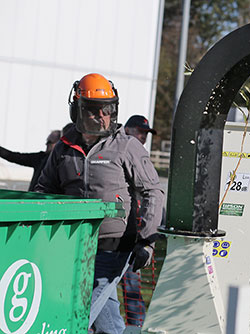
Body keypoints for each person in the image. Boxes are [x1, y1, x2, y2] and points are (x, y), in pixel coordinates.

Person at [35, 73, 165, 334]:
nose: (102, 116)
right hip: (70, 244)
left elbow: (153, 190)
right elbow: (44, 190)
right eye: (94, 110)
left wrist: (147, 241)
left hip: (113, 245)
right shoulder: (63, 148)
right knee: (108, 323)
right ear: (78, 110)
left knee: (78, 313)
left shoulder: (127, 147)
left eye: (107, 110)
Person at [120, 114, 158, 326]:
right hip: (116, 231)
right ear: (127, 130)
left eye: (146, 133)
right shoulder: (120, 150)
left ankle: (136, 325)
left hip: (132, 232)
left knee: (130, 283)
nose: (143, 136)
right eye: (140, 131)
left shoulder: (138, 154)